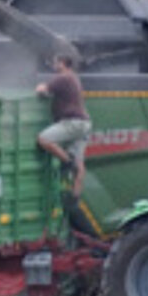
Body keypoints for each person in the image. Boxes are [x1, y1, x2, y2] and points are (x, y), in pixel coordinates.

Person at [35, 54, 91, 196]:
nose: (54, 65)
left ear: (63, 63)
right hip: (84, 124)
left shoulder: (62, 78)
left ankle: (66, 162)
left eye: (56, 62)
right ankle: (75, 197)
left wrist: (39, 88)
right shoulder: (74, 77)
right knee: (79, 163)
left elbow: (42, 89)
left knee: (43, 140)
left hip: (72, 122)